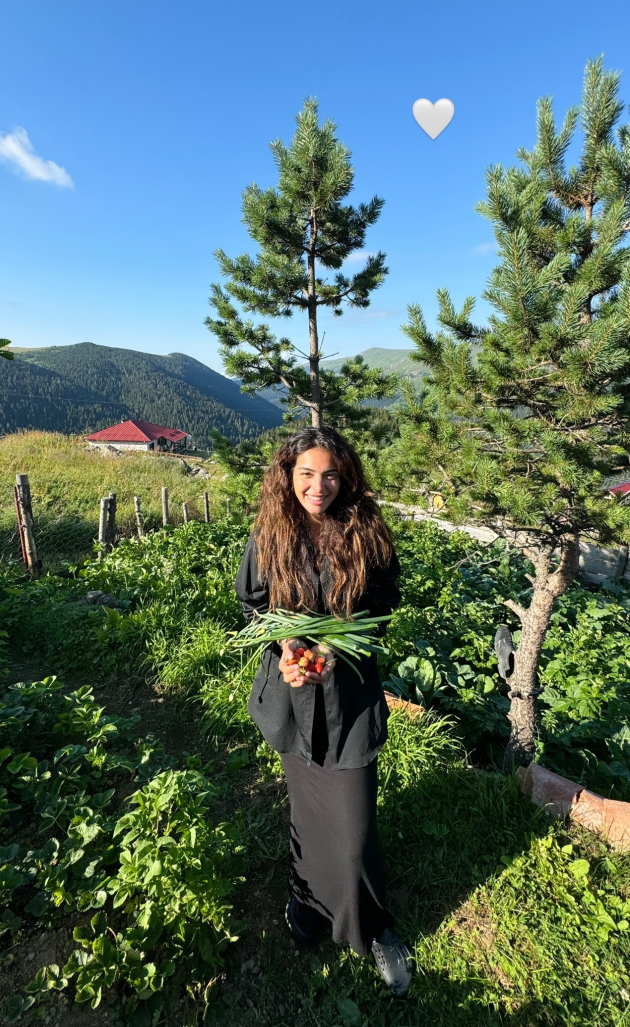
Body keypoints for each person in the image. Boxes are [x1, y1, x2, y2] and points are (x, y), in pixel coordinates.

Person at [235, 426, 414, 997]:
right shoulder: (271, 533)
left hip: (350, 696)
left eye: (331, 474)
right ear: (287, 477)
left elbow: (384, 602)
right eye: (307, 474)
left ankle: (374, 927)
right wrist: (285, 648)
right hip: (292, 695)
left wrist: (334, 645)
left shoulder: (366, 530)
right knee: (307, 810)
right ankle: (306, 899)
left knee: (356, 826)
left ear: (347, 476)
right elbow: (254, 606)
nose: (319, 486)